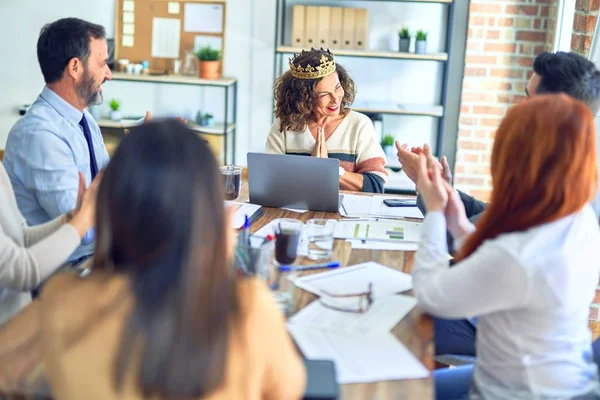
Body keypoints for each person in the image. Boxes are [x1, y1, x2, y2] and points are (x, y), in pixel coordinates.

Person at [39, 120, 306, 399]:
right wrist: (216, 255)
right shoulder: (248, 308)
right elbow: (290, 389)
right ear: (210, 212)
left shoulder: (61, 300)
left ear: (111, 204)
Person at [398, 51, 600, 358]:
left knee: (399, 321)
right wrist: (448, 201)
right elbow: (493, 236)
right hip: (533, 346)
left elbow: (432, 293)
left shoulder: (536, 231)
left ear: (550, 113)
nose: (517, 109)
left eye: (528, 100)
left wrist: (437, 209)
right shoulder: (571, 194)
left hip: (510, 357)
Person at [3, 18, 112, 267]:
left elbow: (106, 189)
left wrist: (137, 157)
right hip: (62, 274)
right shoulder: (39, 134)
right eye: (103, 63)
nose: (109, 74)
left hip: (93, 260)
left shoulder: (84, 121)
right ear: (75, 67)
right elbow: (84, 233)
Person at [265, 48, 388, 193]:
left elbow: (375, 185)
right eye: (324, 94)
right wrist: (312, 169)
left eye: (337, 88)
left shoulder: (359, 125)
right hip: (294, 214)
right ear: (303, 98)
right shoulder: (284, 126)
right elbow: (270, 182)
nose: (335, 99)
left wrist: (332, 170)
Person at [0, 162, 100, 326]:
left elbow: (21, 238)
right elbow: (21, 270)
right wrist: (82, 221)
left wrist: (72, 217)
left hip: (21, 321)